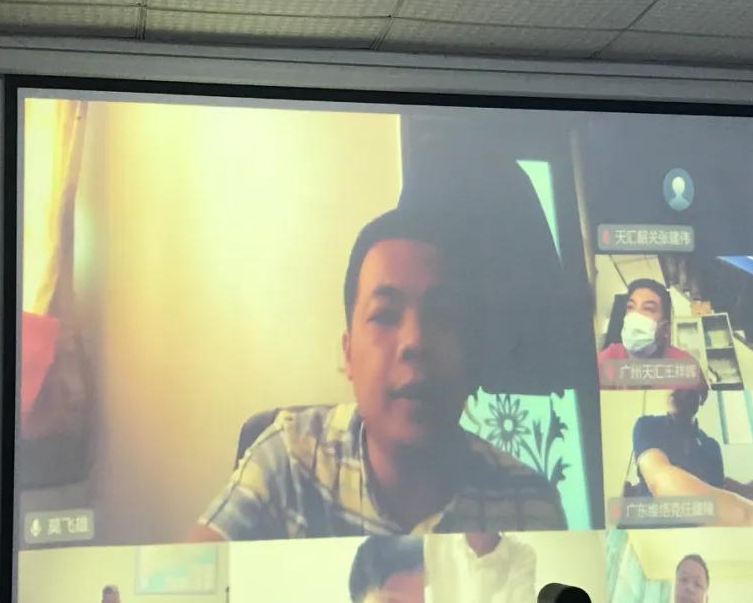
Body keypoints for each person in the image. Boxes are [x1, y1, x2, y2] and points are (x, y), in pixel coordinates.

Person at [194, 207, 566, 541]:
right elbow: (195, 577)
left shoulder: (529, 507)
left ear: (469, 354)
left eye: (442, 316)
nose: (415, 341)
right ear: (348, 354)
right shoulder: (289, 462)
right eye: (385, 315)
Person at [633, 385, 753, 527]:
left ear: (702, 397)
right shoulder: (648, 425)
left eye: (686, 388)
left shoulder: (711, 446)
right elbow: (660, 482)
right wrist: (751, 515)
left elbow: (715, 499)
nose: (677, 390)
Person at [597, 278, 702, 390]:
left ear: (665, 329)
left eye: (648, 308)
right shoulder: (607, 360)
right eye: (630, 307)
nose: (635, 315)